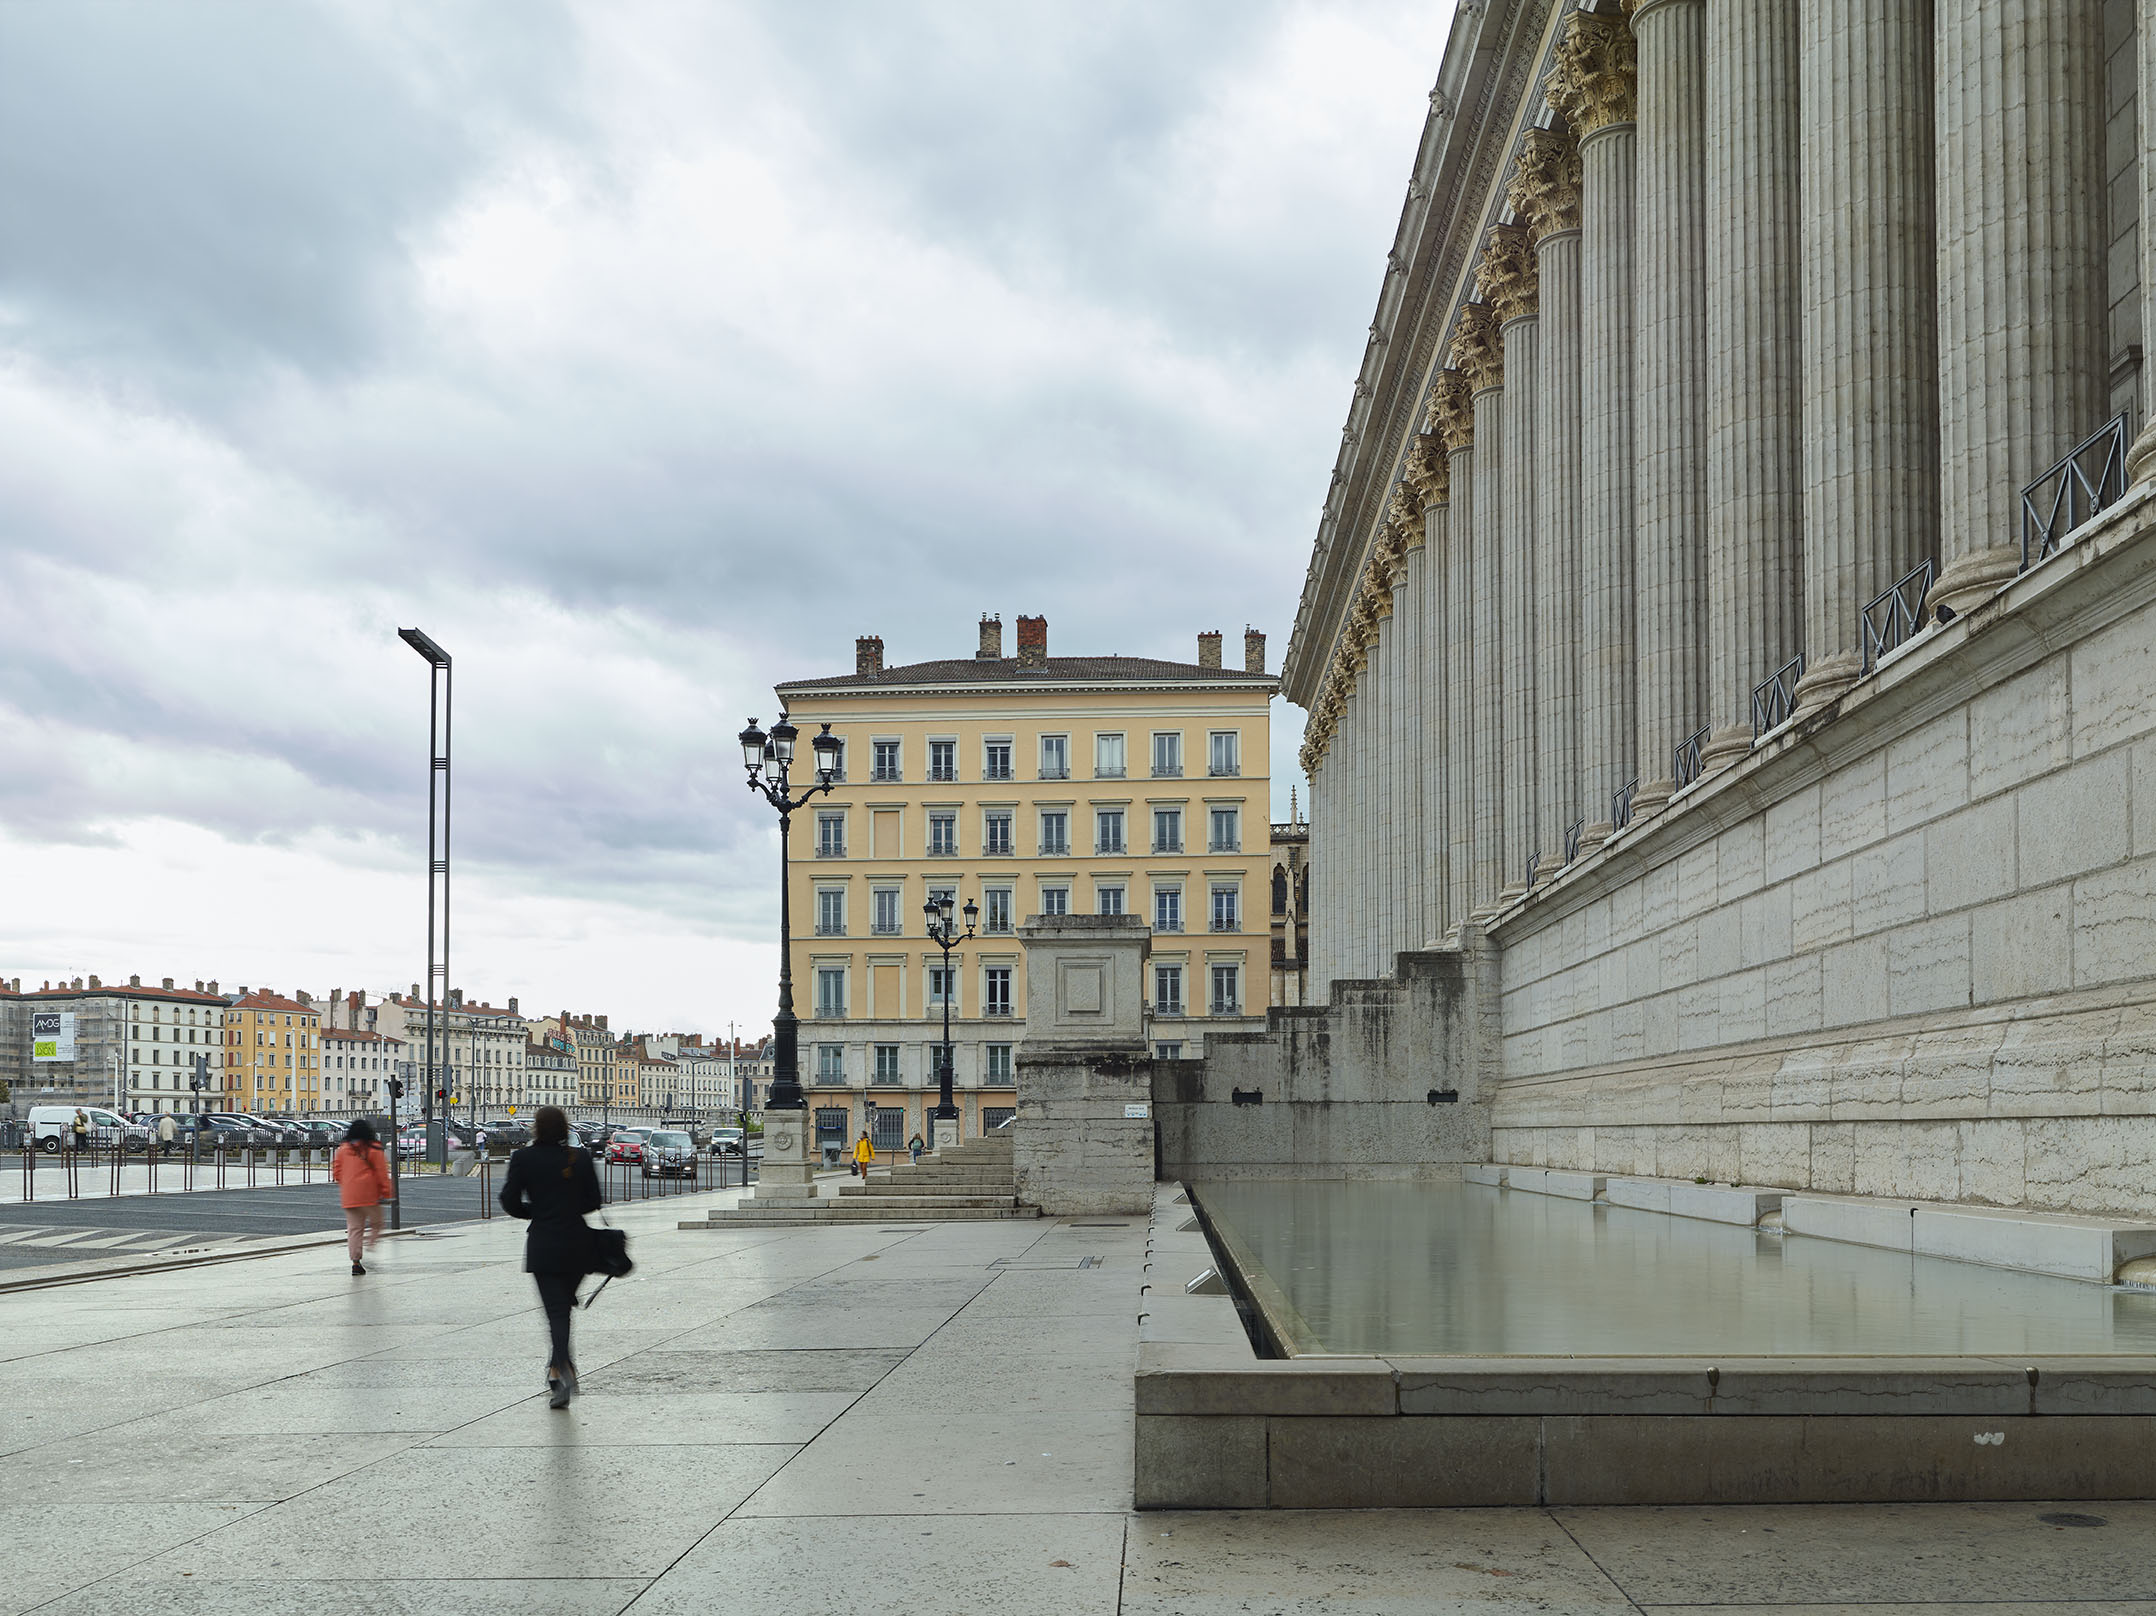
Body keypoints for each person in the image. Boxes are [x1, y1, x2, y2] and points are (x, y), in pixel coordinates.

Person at [500, 1105, 602, 1409]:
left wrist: (536, 1212)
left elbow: (508, 1200)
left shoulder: (523, 1158)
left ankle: (563, 1370)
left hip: (544, 1245)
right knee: (562, 1309)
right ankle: (557, 1370)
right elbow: (593, 1201)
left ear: (537, 1128)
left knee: (556, 1312)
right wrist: (567, 1211)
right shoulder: (579, 1157)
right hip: (577, 1245)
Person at [331, 1118, 393, 1275]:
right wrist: (386, 1192)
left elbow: (336, 1172)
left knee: (354, 1229)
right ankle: (371, 1245)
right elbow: (381, 1173)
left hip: (349, 1196)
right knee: (377, 1223)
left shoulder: (343, 1149)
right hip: (369, 1194)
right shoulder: (373, 1148)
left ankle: (356, 1262)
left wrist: (347, 1184)